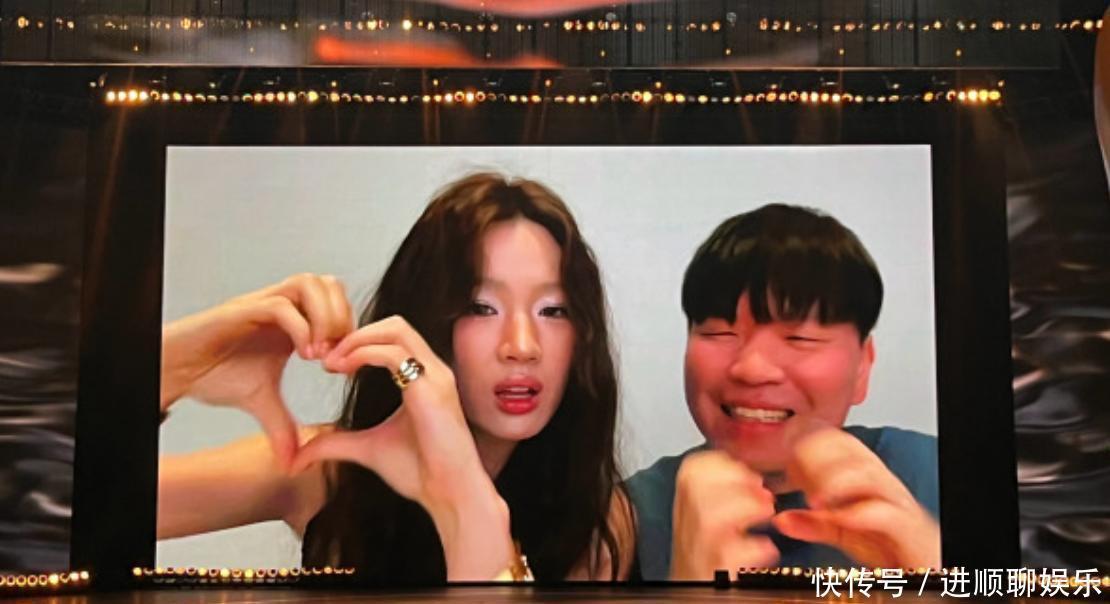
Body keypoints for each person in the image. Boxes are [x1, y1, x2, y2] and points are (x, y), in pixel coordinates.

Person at [158, 173, 634, 583]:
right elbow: (117, 501)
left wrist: (464, 498)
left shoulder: (599, 523)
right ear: (427, 317)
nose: (522, 346)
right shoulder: (328, 468)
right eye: (480, 307)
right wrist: (178, 361)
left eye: (553, 310)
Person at [625, 203, 940, 580]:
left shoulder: (937, 475)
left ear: (862, 367)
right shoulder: (623, 519)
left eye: (800, 338)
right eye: (719, 332)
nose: (752, 368)